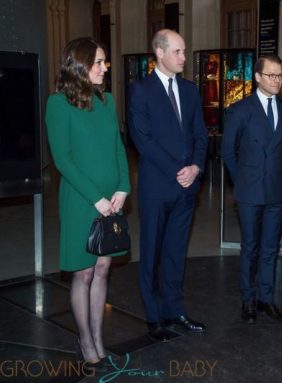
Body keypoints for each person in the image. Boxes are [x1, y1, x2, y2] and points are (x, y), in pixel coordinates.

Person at [45, 38, 130, 366]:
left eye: (104, 62)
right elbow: (62, 159)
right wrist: (96, 198)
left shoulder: (106, 100)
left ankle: (97, 334)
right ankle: (84, 337)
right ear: (78, 65)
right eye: (98, 62)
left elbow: (119, 148)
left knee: (104, 268)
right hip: (82, 200)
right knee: (83, 272)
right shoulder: (57, 104)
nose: (104, 68)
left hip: (113, 200)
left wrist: (123, 188)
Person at [128, 29, 208, 341]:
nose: (184, 58)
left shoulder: (189, 90)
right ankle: (153, 316)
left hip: (186, 187)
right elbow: (142, 140)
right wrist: (180, 169)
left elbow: (201, 134)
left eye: (184, 51)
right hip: (157, 185)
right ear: (159, 53)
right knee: (152, 251)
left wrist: (196, 167)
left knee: (176, 251)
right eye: (178, 52)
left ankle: (174, 311)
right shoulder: (141, 90)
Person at [221, 55, 282, 324]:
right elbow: (228, 152)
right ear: (257, 77)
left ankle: (267, 299)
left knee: (270, 248)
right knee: (250, 247)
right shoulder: (240, 110)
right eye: (271, 75)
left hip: (277, 189)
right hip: (249, 191)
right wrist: (241, 180)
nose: (277, 80)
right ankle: (248, 300)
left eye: (279, 76)